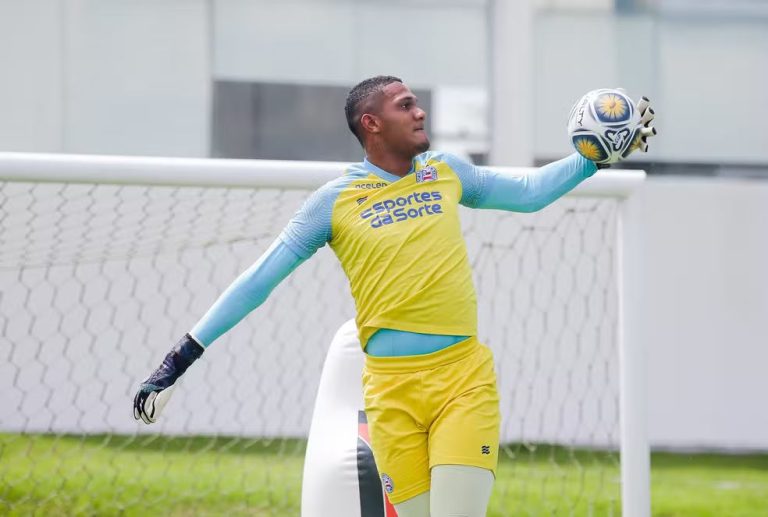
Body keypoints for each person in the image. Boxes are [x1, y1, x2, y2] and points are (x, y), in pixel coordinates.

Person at [133, 76, 656, 516]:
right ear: (372, 123)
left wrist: (591, 158)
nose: (420, 111)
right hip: (389, 395)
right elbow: (259, 280)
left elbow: (529, 193)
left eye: (417, 102)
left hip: (462, 381)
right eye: (405, 105)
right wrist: (179, 358)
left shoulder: (447, 172)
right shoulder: (332, 203)